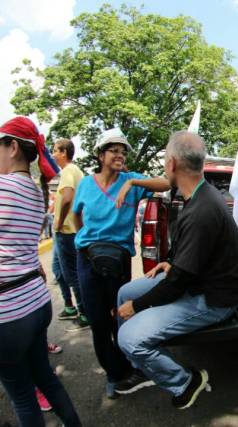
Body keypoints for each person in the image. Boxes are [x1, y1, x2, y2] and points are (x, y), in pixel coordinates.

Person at [114, 131, 238, 409]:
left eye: (164, 161)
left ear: (172, 164)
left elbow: (176, 284)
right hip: (193, 280)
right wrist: (173, 262)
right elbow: (194, 257)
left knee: (128, 335)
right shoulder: (197, 193)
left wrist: (137, 306)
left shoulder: (203, 210)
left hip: (213, 299)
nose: (163, 167)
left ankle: (185, 381)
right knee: (124, 291)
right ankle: (142, 367)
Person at [72, 127, 170, 398]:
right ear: (101, 155)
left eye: (123, 151)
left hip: (118, 260)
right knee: (98, 320)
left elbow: (166, 183)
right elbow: (76, 217)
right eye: (114, 150)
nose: (120, 155)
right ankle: (115, 374)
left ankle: (132, 366)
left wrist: (132, 184)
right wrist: (89, 240)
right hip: (88, 258)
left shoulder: (132, 179)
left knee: (120, 315)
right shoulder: (86, 183)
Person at [0, 116, 81, 426]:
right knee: (46, 379)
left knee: (22, 396)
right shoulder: (37, 192)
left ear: (12, 147)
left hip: (8, 313)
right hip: (36, 302)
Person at [51, 138, 89, 332]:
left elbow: (67, 198)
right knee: (57, 270)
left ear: (64, 152)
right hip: (65, 232)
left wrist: (58, 222)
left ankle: (84, 312)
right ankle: (69, 306)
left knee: (71, 274)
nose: (53, 154)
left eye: (55, 150)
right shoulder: (74, 171)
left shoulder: (68, 170)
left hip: (66, 231)